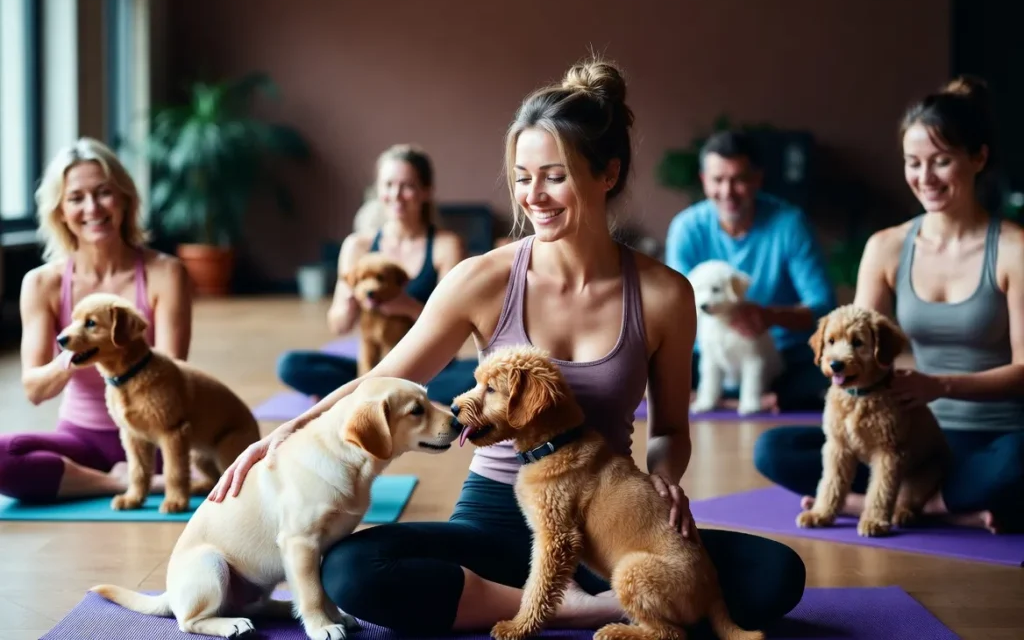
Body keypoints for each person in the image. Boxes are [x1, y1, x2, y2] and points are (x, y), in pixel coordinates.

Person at [211, 59, 806, 636]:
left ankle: (593, 596)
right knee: (351, 571)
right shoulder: (483, 279)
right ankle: (575, 608)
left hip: (611, 521)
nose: (534, 196)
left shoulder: (664, 294)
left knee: (776, 575)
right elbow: (380, 381)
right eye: (523, 177)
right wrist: (283, 434)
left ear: (608, 173)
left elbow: (672, 427)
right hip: (498, 514)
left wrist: (664, 477)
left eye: (554, 176)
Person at [754, 76, 1024, 533]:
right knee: (774, 450)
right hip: (901, 432)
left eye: (941, 161)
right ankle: (936, 504)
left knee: (1015, 463)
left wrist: (940, 385)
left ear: (978, 158)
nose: (925, 178)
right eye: (913, 163)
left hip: (992, 438)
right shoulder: (888, 247)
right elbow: (854, 348)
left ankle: (900, 504)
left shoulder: (1014, 249)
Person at [0, 137, 193, 502]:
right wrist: (78, 352)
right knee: (3, 457)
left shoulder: (166, 273)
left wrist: (110, 344)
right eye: (76, 198)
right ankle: (119, 483)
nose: (92, 208)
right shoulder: (41, 283)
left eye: (104, 193)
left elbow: (172, 372)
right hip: (82, 438)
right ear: (60, 211)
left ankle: (131, 477)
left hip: (151, 437)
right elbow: (35, 389)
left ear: (124, 199)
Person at [276, 144, 473, 403]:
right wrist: (350, 302)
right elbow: (339, 325)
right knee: (290, 365)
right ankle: (386, 393)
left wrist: (406, 306)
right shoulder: (357, 246)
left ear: (426, 191)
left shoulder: (445, 245)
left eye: (407, 186)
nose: (396, 195)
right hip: (374, 365)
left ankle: (361, 395)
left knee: (478, 375)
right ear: (378, 190)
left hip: (429, 368)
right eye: (388, 185)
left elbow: (451, 327)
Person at [664, 130, 836, 410]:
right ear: (704, 180)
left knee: (832, 366)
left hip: (780, 356)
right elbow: (675, 305)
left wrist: (770, 316)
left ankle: (724, 400)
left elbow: (823, 307)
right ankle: (749, 400)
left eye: (739, 179)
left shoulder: (790, 224)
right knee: (643, 365)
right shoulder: (686, 227)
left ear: (757, 179)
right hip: (705, 354)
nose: (727, 192)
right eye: (718, 180)